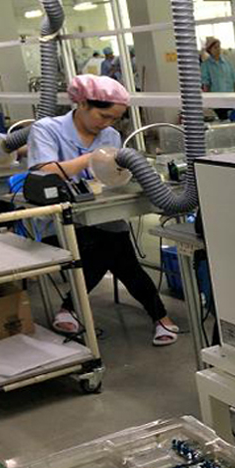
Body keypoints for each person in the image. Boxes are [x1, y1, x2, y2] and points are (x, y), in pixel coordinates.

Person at [27, 74, 179, 347]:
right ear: (83, 103)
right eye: (103, 115)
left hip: (102, 214)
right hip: (59, 221)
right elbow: (45, 172)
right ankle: (160, 317)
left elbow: (115, 176)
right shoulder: (46, 129)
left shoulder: (110, 135)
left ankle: (70, 309)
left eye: (114, 119)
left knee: (113, 246)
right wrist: (92, 159)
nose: (107, 123)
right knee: (112, 249)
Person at [201, 37, 235, 120]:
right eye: (215, 47)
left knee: (233, 120)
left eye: (219, 47)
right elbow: (206, 84)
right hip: (217, 100)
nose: (218, 49)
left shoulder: (227, 63)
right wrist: (208, 100)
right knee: (222, 119)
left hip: (231, 98)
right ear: (209, 50)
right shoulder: (206, 65)